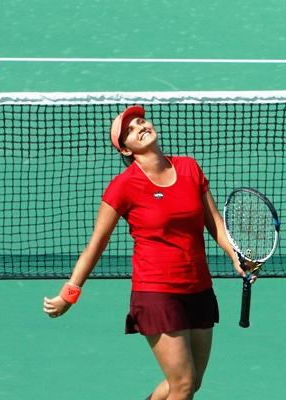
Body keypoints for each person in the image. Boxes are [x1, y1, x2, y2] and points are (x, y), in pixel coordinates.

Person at [43, 105, 254, 400]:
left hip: (198, 287)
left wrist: (236, 254)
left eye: (141, 121)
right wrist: (70, 293)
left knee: (191, 383)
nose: (140, 127)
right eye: (130, 130)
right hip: (157, 292)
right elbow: (96, 244)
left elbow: (215, 223)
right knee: (182, 385)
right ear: (125, 150)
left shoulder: (189, 168)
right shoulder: (123, 187)